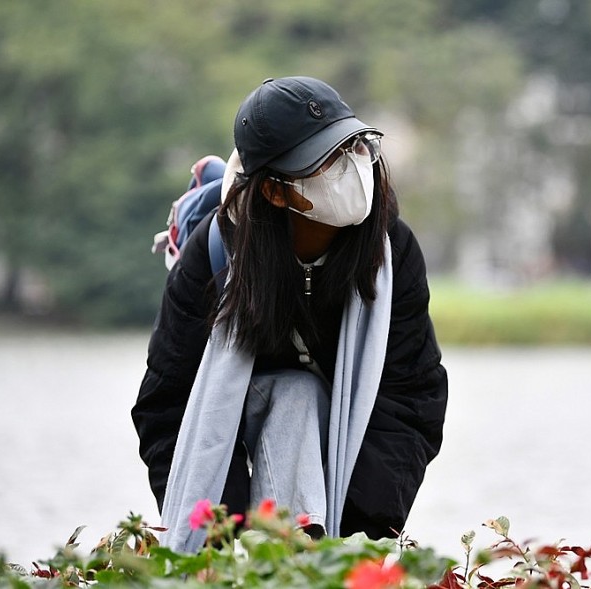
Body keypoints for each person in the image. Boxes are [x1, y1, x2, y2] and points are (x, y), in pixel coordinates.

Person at [131, 76, 448, 550]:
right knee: (289, 391)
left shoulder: (390, 252)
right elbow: (168, 406)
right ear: (275, 192)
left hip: (329, 428)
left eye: (354, 147)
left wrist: (355, 543)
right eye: (326, 162)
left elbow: (409, 397)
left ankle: (305, 550)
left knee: (298, 398)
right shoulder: (213, 259)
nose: (352, 169)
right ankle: (278, 557)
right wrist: (224, 541)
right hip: (236, 413)